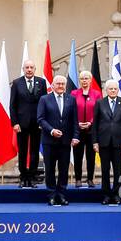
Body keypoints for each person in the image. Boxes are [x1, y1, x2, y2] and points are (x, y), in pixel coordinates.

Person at [37, 75, 79, 206]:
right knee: (49, 169)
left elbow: (74, 120)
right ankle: (51, 195)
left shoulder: (71, 99)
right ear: (53, 85)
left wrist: (76, 136)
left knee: (63, 169)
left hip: (65, 142)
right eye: (58, 84)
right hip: (49, 141)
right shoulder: (44, 99)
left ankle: (61, 194)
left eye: (62, 84)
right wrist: (52, 130)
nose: (60, 86)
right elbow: (40, 119)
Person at [8, 59, 48, 188]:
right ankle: (23, 177)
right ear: (23, 69)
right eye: (27, 67)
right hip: (21, 124)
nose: (29, 69)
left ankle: (32, 177)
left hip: (37, 123)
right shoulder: (16, 83)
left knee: (35, 151)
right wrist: (14, 123)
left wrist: (43, 121)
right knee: (23, 151)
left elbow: (44, 103)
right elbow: (12, 105)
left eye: (31, 67)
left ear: (35, 69)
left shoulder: (41, 82)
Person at [92, 79, 121, 204]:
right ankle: (106, 195)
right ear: (106, 90)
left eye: (115, 89)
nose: (113, 90)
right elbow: (95, 124)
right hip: (103, 142)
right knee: (105, 169)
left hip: (119, 142)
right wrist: (95, 142)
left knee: (118, 170)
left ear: (118, 90)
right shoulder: (100, 103)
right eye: (110, 89)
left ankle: (116, 194)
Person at [70, 69, 101, 187]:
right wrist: (77, 123)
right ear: (79, 80)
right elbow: (71, 110)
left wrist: (90, 123)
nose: (84, 81)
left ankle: (90, 179)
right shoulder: (74, 93)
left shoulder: (96, 94)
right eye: (82, 78)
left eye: (86, 78)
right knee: (77, 155)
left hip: (91, 130)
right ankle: (78, 179)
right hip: (77, 130)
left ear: (90, 80)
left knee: (90, 156)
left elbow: (98, 111)